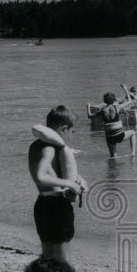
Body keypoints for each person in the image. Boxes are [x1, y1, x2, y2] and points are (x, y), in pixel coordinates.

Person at [28, 105, 88, 260]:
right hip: (57, 206)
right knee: (63, 260)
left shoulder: (35, 146)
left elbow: (52, 172)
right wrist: (71, 185)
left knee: (47, 257)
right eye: (72, 132)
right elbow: (40, 176)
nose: (71, 136)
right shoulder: (50, 148)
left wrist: (76, 178)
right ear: (63, 129)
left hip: (42, 204)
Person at [87, 92, 136, 158]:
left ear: (105, 100)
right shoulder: (117, 107)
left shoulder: (102, 111)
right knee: (133, 132)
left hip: (110, 137)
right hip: (120, 136)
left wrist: (88, 107)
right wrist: (125, 89)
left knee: (113, 156)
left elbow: (90, 116)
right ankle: (133, 154)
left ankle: (112, 167)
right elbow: (130, 101)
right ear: (113, 99)